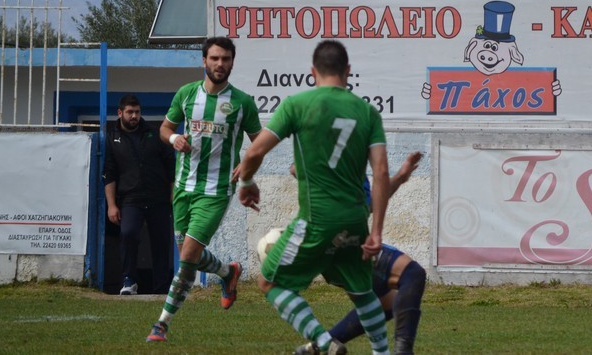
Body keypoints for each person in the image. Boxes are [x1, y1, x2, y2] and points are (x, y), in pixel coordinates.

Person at [233, 39, 391, 355]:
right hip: (355, 220)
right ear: (348, 71)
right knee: (362, 293)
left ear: (312, 72)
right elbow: (382, 173)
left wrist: (247, 182)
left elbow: (254, 152)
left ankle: (323, 342)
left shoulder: (297, 104)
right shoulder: (368, 112)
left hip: (317, 219)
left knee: (269, 281)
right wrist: (376, 232)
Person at [146, 36, 262, 343]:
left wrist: (247, 168)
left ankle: (162, 324)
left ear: (232, 62)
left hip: (216, 191)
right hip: (183, 188)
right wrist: (174, 139)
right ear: (204, 61)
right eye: (214, 58)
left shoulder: (242, 102)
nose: (220, 64)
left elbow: (260, 142)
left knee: (187, 258)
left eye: (225, 59)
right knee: (190, 254)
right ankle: (227, 272)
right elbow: (165, 129)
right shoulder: (186, 94)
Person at [327, 151, 426, 355]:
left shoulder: (355, 163)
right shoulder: (336, 149)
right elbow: (296, 168)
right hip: (338, 244)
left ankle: (319, 344)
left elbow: (371, 203)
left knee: (389, 302)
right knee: (412, 273)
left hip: (346, 244)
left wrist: (400, 177)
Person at [103, 94, 175, 296]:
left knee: (161, 241)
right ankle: (129, 280)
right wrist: (111, 205)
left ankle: (162, 287)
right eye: (130, 112)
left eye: (137, 112)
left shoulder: (154, 134)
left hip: (158, 198)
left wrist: (173, 195)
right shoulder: (112, 138)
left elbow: (171, 167)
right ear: (120, 113)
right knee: (128, 234)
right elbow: (109, 173)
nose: (134, 116)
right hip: (130, 199)